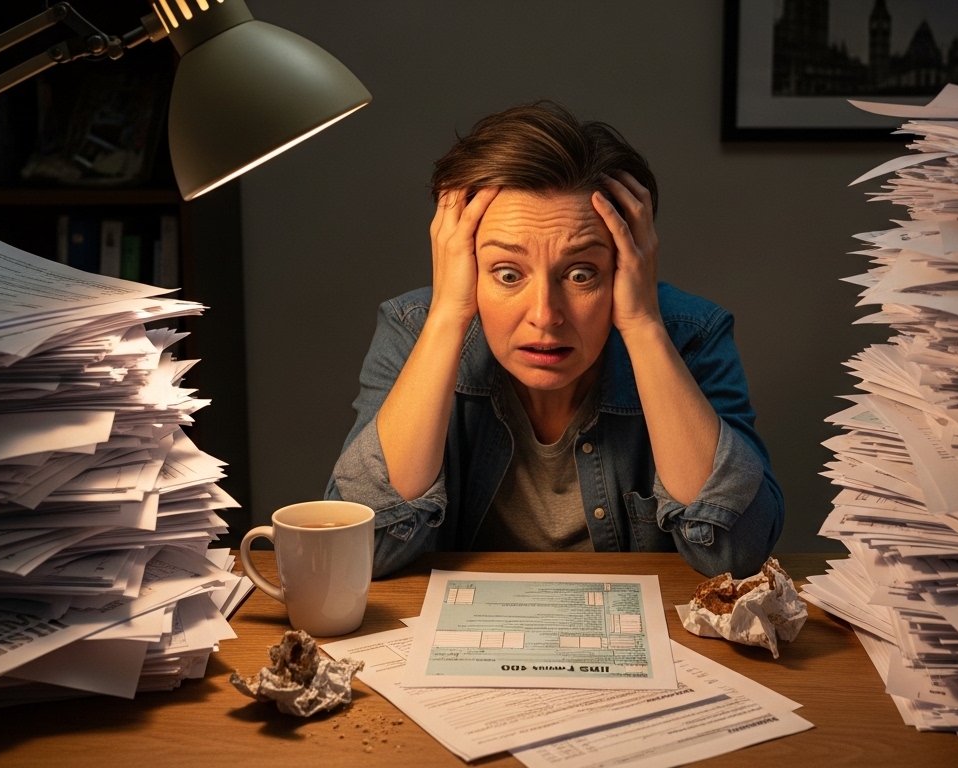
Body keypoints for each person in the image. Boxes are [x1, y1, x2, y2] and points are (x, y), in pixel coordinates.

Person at [327, 101, 783, 578]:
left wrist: (644, 325)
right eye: (507, 273)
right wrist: (447, 314)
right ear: (465, 265)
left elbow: (738, 553)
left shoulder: (691, 336)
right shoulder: (414, 328)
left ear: (628, 265)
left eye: (581, 273)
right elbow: (359, 551)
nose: (545, 315)